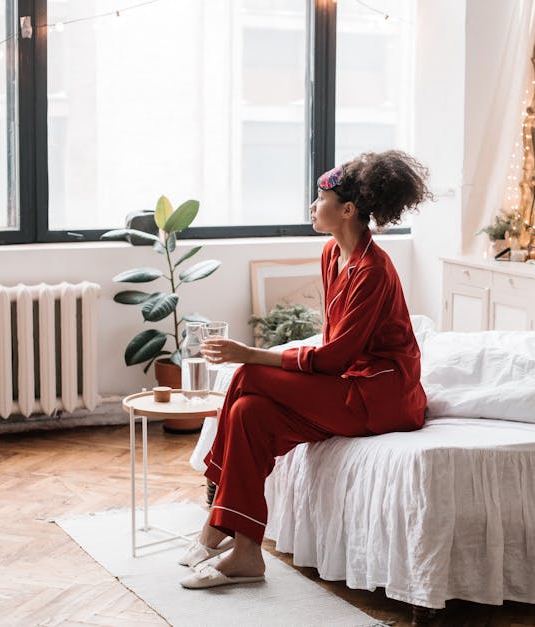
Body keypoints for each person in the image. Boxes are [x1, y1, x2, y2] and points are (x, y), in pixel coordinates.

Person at [178, 150, 432, 589]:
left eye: (320, 199)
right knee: (247, 414)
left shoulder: (373, 270)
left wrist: (250, 354)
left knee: (249, 374)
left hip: (382, 397)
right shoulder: (332, 255)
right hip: (349, 385)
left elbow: (334, 357)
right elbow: (332, 345)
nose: (312, 207)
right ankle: (245, 552)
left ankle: (216, 517)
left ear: (348, 210)